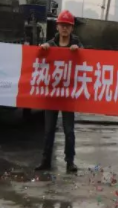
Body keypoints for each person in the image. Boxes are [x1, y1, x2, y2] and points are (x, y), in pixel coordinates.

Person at [35, 10, 83, 173]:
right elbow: (38, 59)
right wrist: (42, 49)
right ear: (57, 27)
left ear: (72, 28)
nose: (65, 28)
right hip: (52, 94)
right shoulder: (50, 44)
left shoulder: (77, 44)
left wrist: (78, 50)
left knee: (69, 130)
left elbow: (86, 58)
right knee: (48, 130)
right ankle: (45, 161)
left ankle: (70, 161)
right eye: (62, 25)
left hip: (68, 95)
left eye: (68, 26)